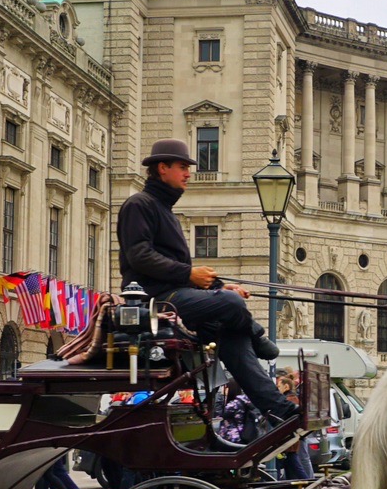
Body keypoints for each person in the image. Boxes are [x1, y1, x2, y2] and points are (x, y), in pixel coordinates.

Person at [117, 138, 296, 422]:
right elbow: (139, 256)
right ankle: (257, 334)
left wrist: (215, 286)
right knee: (231, 303)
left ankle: (279, 410)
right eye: (183, 167)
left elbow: (175, 269)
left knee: (233, 334)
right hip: (156, 303)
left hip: (177, 296)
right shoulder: (139, 205)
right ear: (162, 168)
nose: (189, 173)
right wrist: (191, 275)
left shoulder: (165, 211)